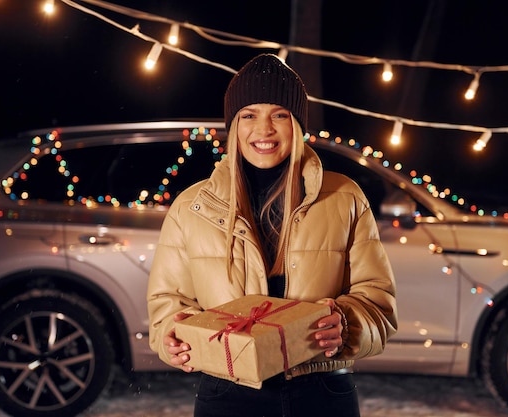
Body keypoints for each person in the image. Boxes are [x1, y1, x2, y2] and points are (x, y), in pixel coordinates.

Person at [147, 53, 397, 417]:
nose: (264, 129)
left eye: (279, 114)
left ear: (297, 124)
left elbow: (379, 302)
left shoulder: (344, 197)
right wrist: (173, 336)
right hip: (226, 393)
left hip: (322, 392)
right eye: (249, 115)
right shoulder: (192, 207)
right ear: (233, 126)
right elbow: (167, 303)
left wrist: (347, 323)